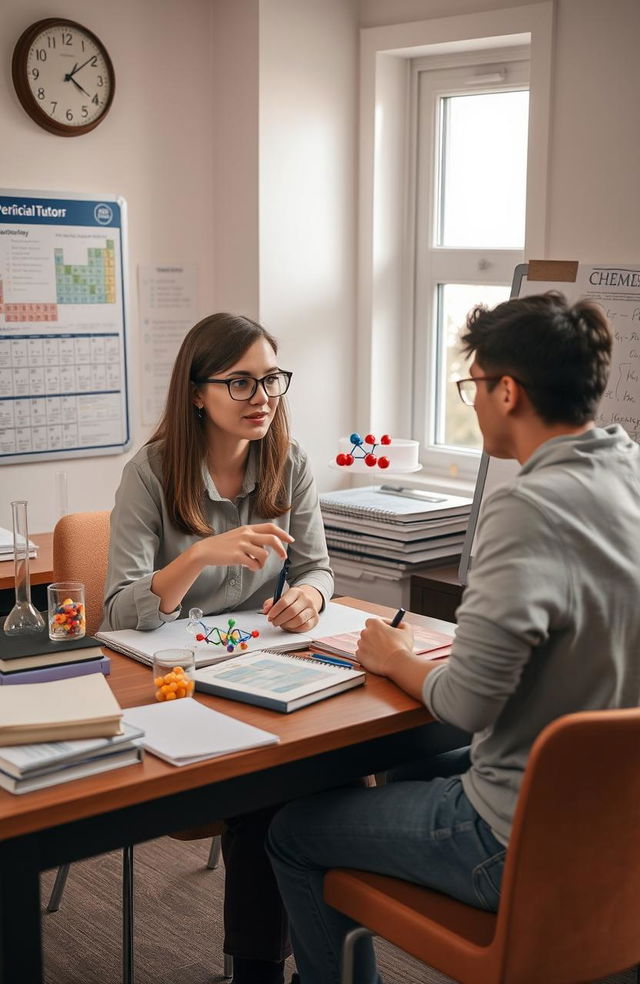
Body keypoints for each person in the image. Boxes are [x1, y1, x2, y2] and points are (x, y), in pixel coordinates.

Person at [267, 292, 640, 984]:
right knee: (409, 766)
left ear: (508, 391)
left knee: (291, 831)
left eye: (473, 385)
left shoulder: (526, 508)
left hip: (512, 837)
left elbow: (467, 704)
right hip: (617, 826)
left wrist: (396, 658)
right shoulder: (630, 473)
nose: (471, 401)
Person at [102, 312, 334, 984]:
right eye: (240, 382)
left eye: (270, 380)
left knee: (332, 773)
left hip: (263, 668)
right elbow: (118, 609)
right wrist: (197, 557)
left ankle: (322, 965)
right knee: (268, 790)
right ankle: (257, 973)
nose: (262, 397)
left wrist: (310, 599)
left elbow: (318, 569)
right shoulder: (151, 471)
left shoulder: (290, 463)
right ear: (197, 392)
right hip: (173, 684)